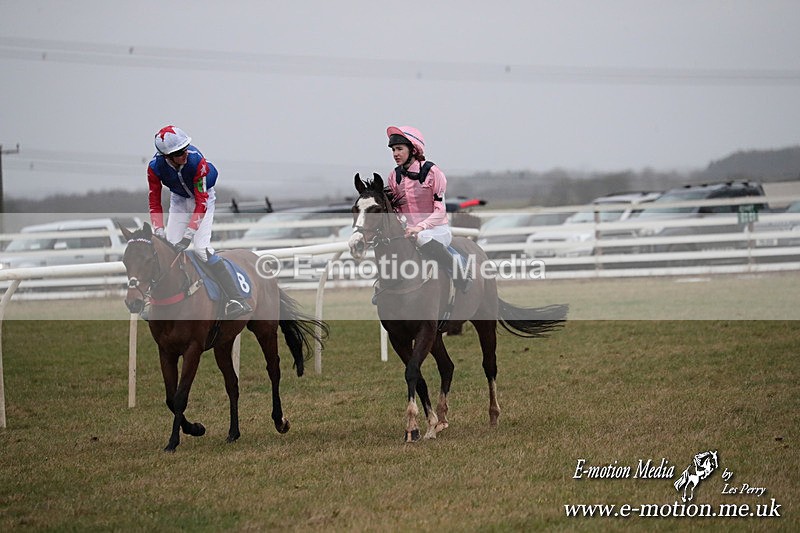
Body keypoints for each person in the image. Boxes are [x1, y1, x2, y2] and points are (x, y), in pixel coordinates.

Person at [147, 125, 252, 318]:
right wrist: (158, 229)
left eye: (185, 148)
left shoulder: (197, 161)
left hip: (202, 200)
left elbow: (201, 202)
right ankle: (153, 301)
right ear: (166, 157)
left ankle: (235, 298)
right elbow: (154, 200)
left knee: (201, 250)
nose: (184, 154)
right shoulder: (154, 168)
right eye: (179, 153)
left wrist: (188, 235)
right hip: (178, 200)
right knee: (168, 249)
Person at [385, 125, 470, 292]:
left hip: (436, 231)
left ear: (413, 149)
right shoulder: (393, 177)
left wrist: (419, 227)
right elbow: (396, 211)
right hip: (408, 231)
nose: (395, 154)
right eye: (393, 149)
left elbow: (440, 212)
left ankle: (458, 271)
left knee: (422, 236)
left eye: (399, 149)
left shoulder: (432, 172)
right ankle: (386, 289)